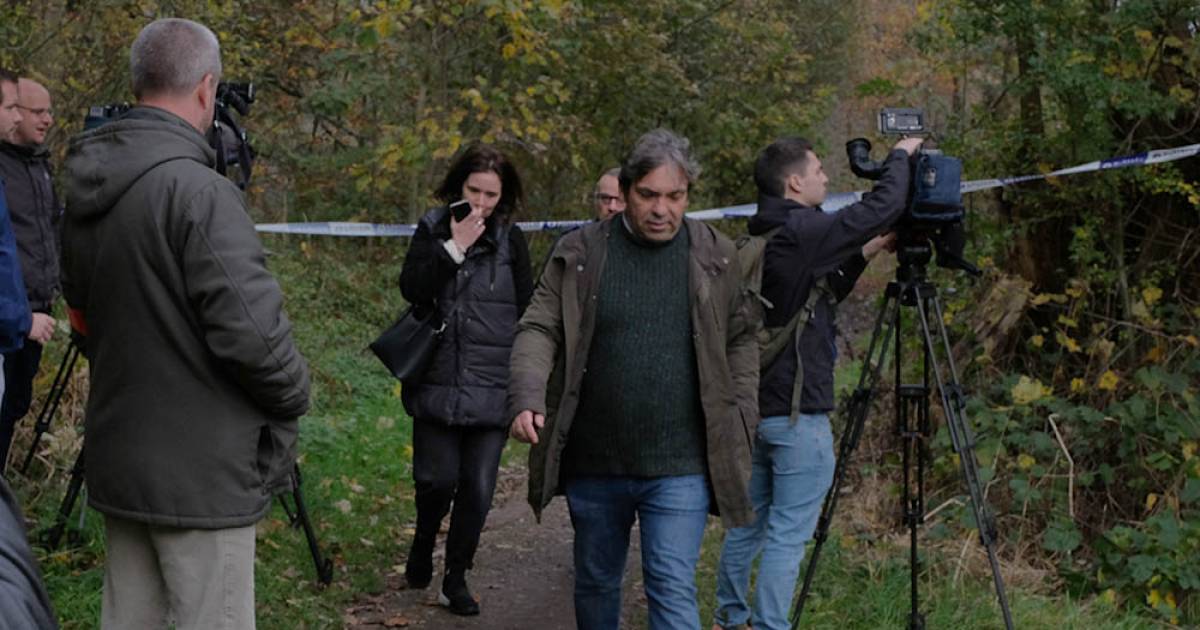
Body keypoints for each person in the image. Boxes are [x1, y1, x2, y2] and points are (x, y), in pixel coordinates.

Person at [60, 18, 310, 629]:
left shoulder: (86, 191)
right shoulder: (200, 194)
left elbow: (83, 323)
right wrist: (295, 393)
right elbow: (253, 336)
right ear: (206, 89)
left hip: (123, 462)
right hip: (202, 477)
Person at [509, 128, 759, 630]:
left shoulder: (718, 257)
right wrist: (527, 394)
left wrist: (742, 411)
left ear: (689, 194)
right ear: (625, 192)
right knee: (598, 580)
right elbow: (539, 325)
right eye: (648, 195)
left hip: (681, 462)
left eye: (675, 196)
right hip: (596, 461)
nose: (661, 209)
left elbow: (743, 338)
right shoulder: (580, 253)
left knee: (670, 582)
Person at [711, 135, 922, 630]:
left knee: (749, 523)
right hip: (796, 415)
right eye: (819, 170)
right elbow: (883, 204)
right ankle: (770, 625)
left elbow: (817, 293)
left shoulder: (763, 236)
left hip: (757, 411)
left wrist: (868, 250)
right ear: (794, 182)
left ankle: (729, 618)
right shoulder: (803, 229)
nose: (827, 179)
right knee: (786, 534)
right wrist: (901, 156)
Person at [398, 142, 533, 616]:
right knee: (436, 482)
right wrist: (454, 247)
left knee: (477, 488)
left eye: (491, 195)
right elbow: (412, 289)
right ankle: (422, 540)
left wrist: (525, 388)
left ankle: (455, 577)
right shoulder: (433, 228)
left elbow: (527, 313)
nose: (480, 204)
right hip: (437, 380)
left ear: (505, 197)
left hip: (492, 387)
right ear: (459, 185)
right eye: (474, 190)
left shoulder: (512, 240)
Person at [0, 78, 60, 474]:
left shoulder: (40, 166)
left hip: (36, 311)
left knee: (15, 405)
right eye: (37, 111)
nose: (46, 120)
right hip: (11, 316)